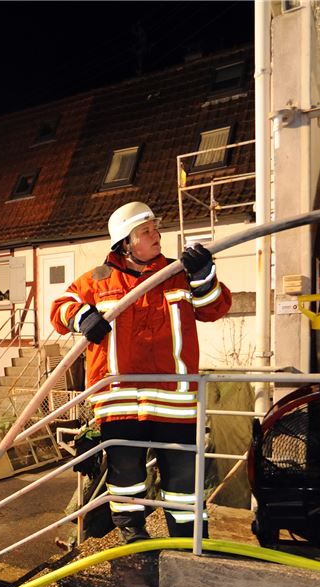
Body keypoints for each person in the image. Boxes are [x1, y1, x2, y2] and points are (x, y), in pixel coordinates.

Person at [50, 201, 231, 543]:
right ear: (125, 243)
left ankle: (189, 543)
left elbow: (214, 310)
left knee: (182, 483)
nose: (157, 235)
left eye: (156, 229)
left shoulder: (179, 274)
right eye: (146, 231)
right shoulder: (97, 280)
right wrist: (82, 317)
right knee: (125, 477)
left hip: (175, 403)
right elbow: (59, 309)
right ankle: (132, 538)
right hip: (119, 403)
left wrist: (205, 275)